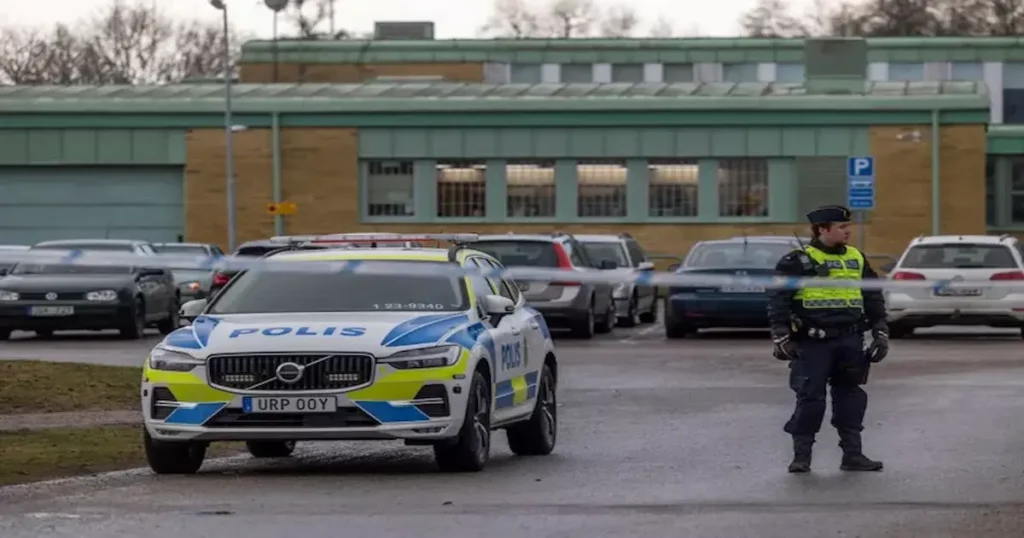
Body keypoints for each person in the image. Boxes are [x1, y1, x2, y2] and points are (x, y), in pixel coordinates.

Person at [767, 205, 890, 473]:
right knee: (811, 398)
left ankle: (853, 455)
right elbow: (778, 300)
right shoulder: (796, 261)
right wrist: (780, 335)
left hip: (850, 340)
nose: (848, 231)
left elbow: (872, 296)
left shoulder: (857, 257)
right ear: (822, 229)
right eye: (842, 227)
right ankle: (802, 457)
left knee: (851, 398)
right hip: (813, 344)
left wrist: (880, 332)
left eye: (848, 227)